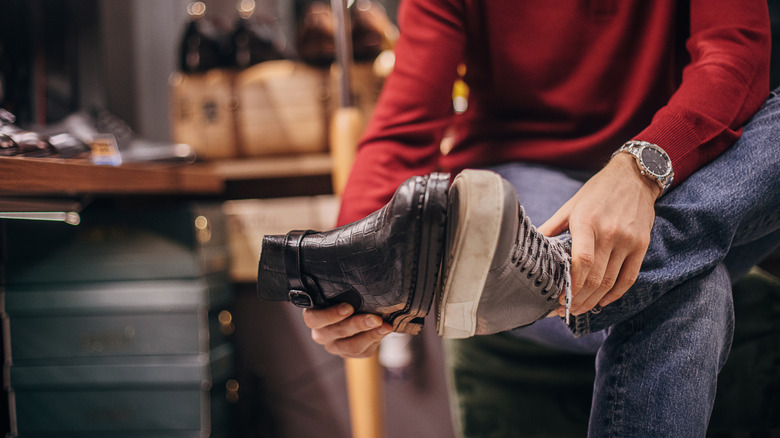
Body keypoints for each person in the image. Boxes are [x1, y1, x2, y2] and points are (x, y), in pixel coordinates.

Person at [269, 0, 779, 436]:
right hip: (525, 179)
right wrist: (349, 273)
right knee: (691, 290)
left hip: (679, 172)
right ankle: (587, 260)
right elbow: (406, 125)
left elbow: (734, 56)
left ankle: (556, 269)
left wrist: (639, 169)